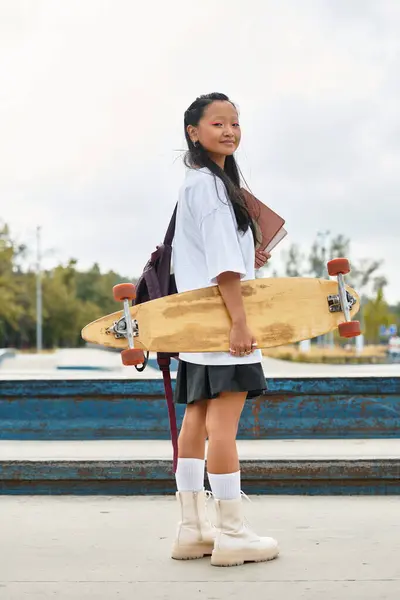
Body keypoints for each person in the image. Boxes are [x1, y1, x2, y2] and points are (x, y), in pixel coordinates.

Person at [171, 93, 279, 567]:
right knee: (223, 425)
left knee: (196, 418)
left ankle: (193, 530)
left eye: (235, 123)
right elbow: (222, 266)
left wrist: (247, 251)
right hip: (222, 318)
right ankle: (232, 534)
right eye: (219, 123)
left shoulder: (199, 184)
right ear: (194, 131)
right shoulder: (213, 188)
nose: (230, 130)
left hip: (196, 320)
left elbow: (208, 256)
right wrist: (240, 321)